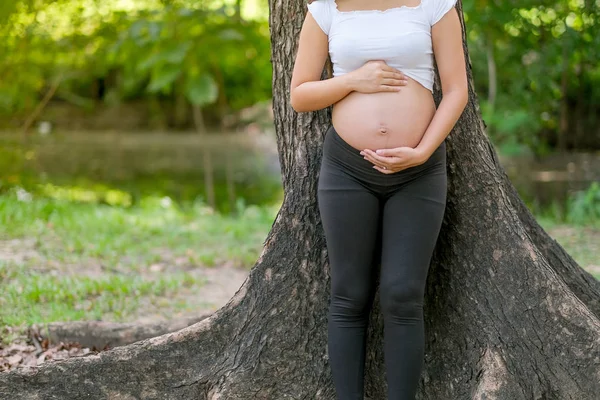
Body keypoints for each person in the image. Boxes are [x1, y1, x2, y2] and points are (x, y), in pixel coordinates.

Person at [289, 0, 468, 398]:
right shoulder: (325, 9)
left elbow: (457, 91)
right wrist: (354, 81)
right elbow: (300, 95)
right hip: (347, 170)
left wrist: (422, 151)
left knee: (403, 293)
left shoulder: (435, 6)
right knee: (349, 292)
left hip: (418, 171)